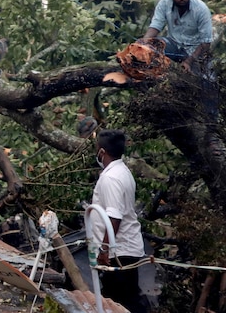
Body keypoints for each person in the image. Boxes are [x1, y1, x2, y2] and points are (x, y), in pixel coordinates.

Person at [91, 129, 148, 313]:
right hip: (123, 249)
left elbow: (114, 216)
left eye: (96, 147)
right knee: (126, 300)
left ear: (102, 151)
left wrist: (105, 249)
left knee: (119, 303)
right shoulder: (122, 171)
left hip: (118, 253)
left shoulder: (111, 178)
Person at [142, 0, 212, 74]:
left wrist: (189, 61)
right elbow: (156, 25)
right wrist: (143, 43)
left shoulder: (201, 9)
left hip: (194, 50)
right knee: (151, 45)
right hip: (173, 45)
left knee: (204, 82)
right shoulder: (164, 3)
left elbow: (206, 42)